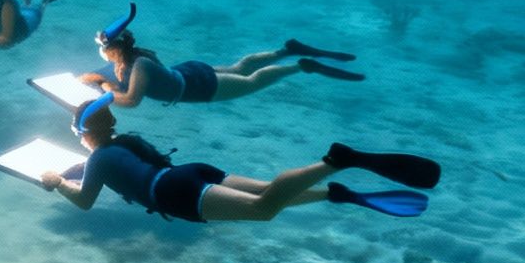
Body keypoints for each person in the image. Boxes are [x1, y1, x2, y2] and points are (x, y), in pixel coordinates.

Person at [39, 95, 438, 222]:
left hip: (176, 193)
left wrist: (58, 183)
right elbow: (102, 167)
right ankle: (333, 192)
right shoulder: (122, 143)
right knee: (269, 191)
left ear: (86, 135)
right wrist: (74, 169)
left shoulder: (100, 160)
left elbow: (85, 201)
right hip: (189, 172)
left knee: (264, 209)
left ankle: (334, 162)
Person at [79, 3, 364, 106]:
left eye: (103, 49)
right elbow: (131, 88)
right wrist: (103, 81)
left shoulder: (137, 65)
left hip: (197, 86)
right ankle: (286, 50)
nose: (101, 53)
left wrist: (103, 86)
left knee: (251, 81)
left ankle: (301, 65)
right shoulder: (136, 57)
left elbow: (131, 100)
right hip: (189, 73)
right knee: (239, 67)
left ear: (115, 49)